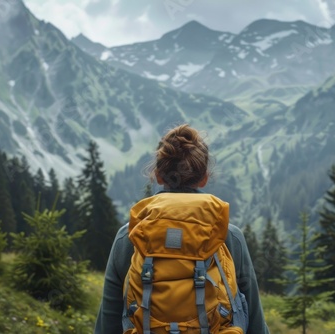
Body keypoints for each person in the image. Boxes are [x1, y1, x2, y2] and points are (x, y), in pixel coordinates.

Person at [94, 124, 270, 334]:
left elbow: (107, 326)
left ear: (158, 175)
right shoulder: (228, 236)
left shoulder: (131, 235)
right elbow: (256, 327)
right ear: (204, 178)